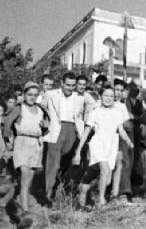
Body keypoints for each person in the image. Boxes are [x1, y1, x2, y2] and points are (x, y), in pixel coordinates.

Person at [73, 86, 133, 208]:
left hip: (111, 145)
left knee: (107, 180)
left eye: (111, 96)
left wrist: (128, 141)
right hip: (98, 143)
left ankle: (85, 188)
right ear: (100, 96)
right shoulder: (95, 112)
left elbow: (121, 131)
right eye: (106, 95)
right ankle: (101, 202)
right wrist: (78, 151)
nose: (108, 99)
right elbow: (86, 131)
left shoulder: (117, 113)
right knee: (105, 170)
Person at [3, 82, 50, 215]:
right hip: (22, 142)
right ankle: (25, 210)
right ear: (24, 94)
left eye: (35, 95)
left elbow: (46, 127)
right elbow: (7, 124)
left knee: (30, 177)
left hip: (35, 144)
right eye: (29, 94)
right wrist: (8, 141)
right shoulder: (19, 108)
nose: (32, 98)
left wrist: (45, 126)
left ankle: (24, 204)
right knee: (24, 173)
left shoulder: (40, 109)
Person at [41, 72, 85, 202]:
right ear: (62, 83)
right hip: (55, 129)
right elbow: (41, 107)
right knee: (52, 162)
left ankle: (59, 188)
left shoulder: (79, 98)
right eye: (67, 85)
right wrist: (45, 121)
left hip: (71, 129)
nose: (70, 88)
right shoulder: (51, 95)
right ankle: (48, 193)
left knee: (66, 161)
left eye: (72, 85)